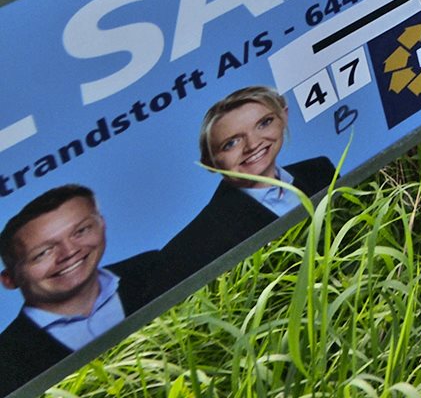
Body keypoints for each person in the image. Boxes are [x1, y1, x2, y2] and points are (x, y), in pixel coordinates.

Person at [0, 186, 177, 389]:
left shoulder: (154, 267)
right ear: (9, 279)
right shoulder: (5, 360)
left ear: (102, 224)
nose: (69, 252)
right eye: (43, 252)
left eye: (81, 231)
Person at [159, 88, 335, 281]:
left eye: (264, 123)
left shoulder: (319, 170)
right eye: (231, 143)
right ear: (210, 163)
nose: (252, 145)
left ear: (284, 117)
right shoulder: (194, 243)